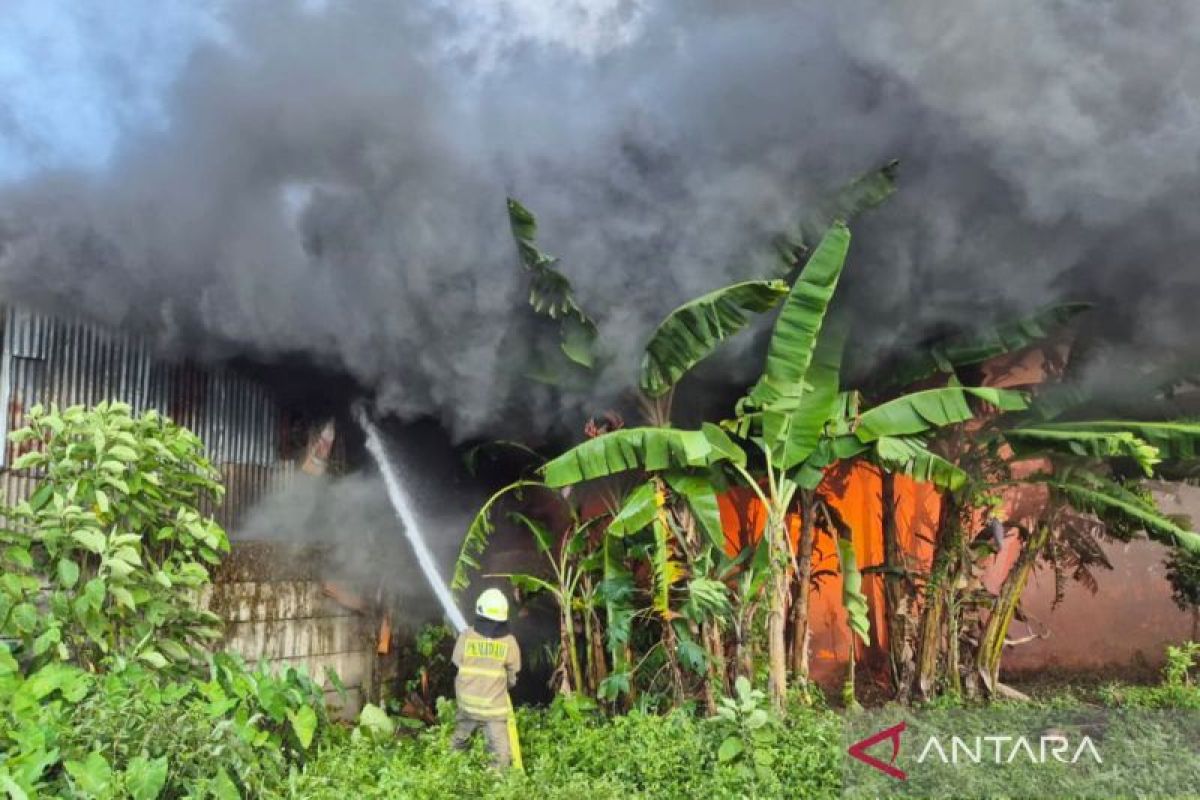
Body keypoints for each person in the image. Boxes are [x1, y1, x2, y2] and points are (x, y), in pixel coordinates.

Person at [450, 588, 521, 768]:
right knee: (500, 755)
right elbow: (513, 675)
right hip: (493, 711)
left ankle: (452, 769)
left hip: (467, 706)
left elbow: (457, 662)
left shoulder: (466, 636)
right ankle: (495, 784)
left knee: (459, 743)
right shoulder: (509, 642)